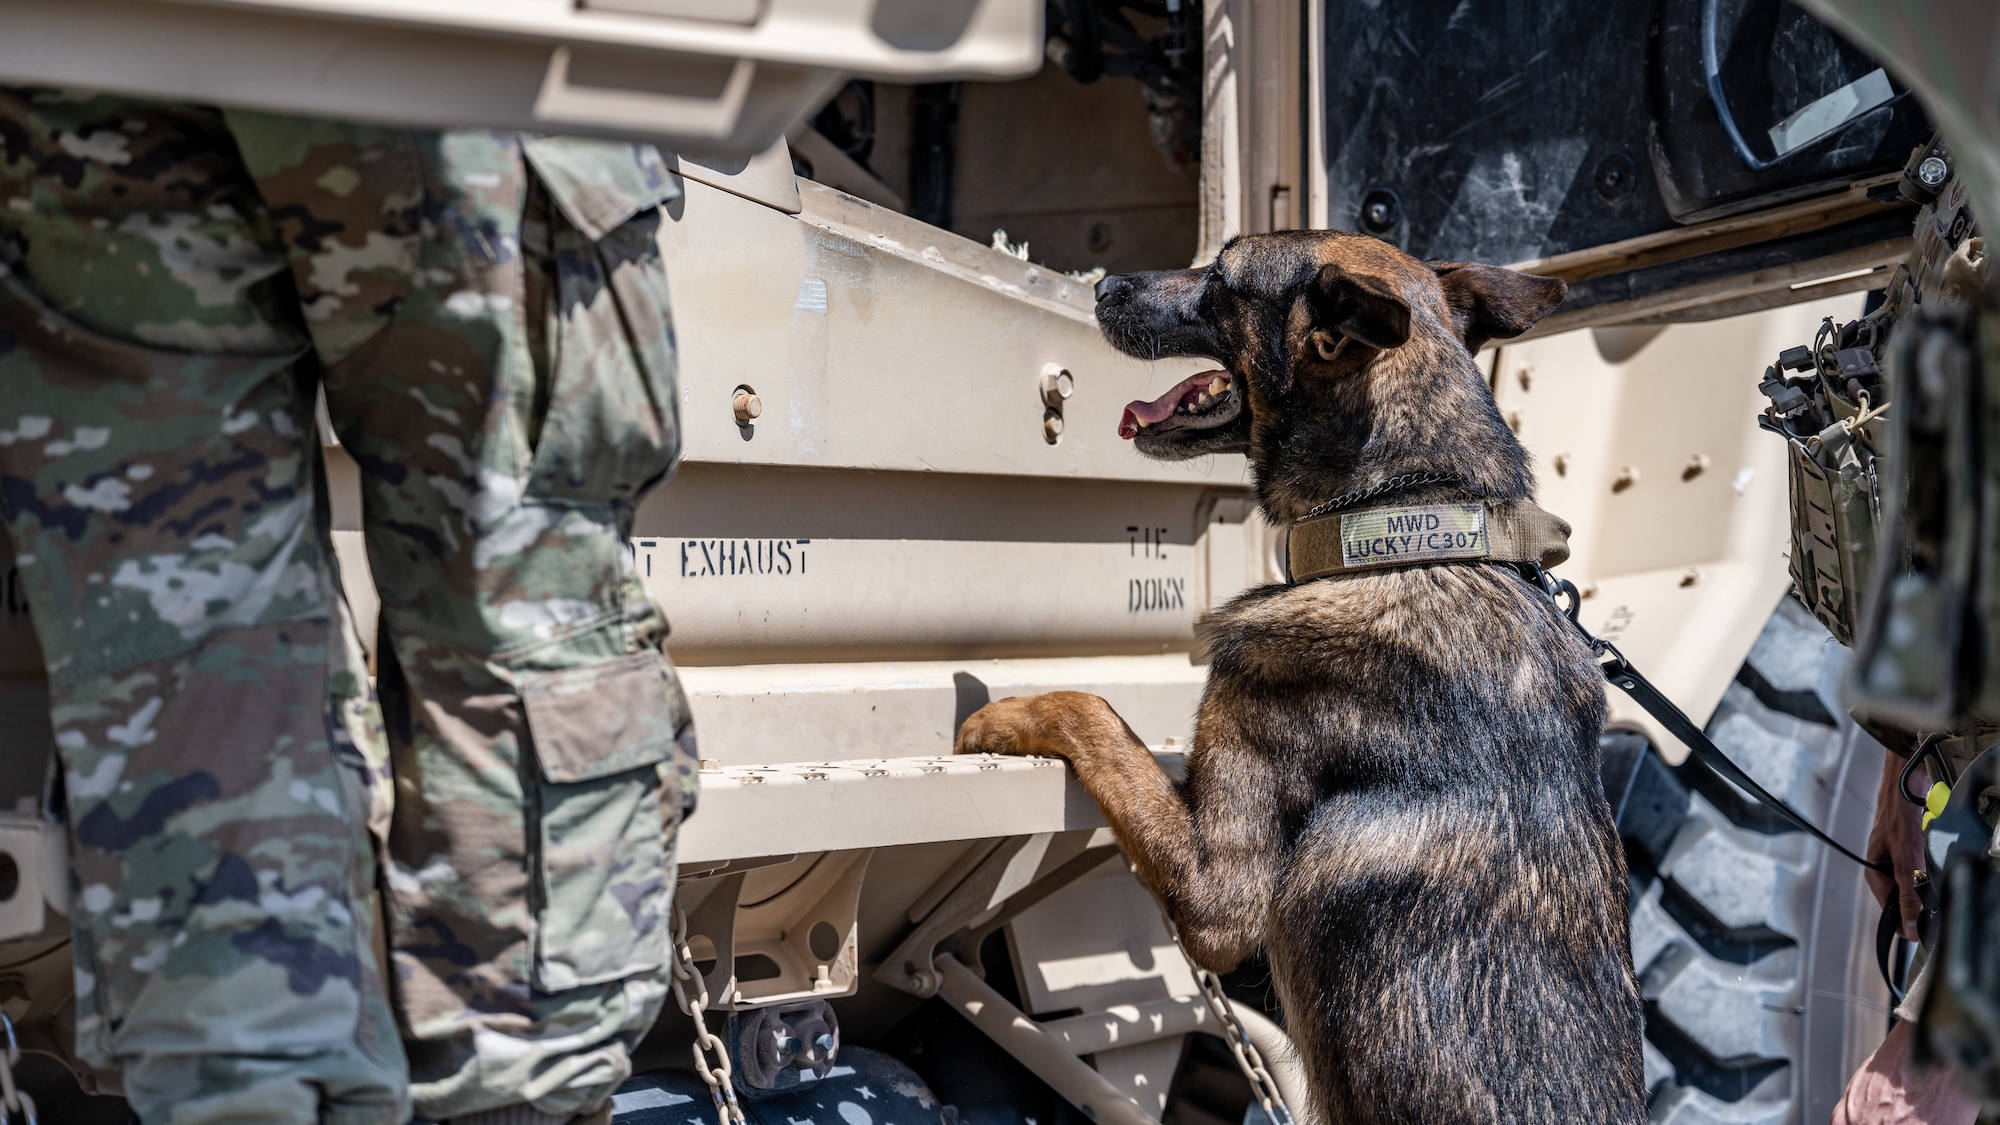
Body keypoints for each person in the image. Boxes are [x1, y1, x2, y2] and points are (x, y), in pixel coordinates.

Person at [0, 89, 700, 1124]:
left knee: (183, 639)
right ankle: (513, 1094)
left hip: (86, 67)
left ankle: (251, 1092)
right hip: (435, 60)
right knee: (517, 595)